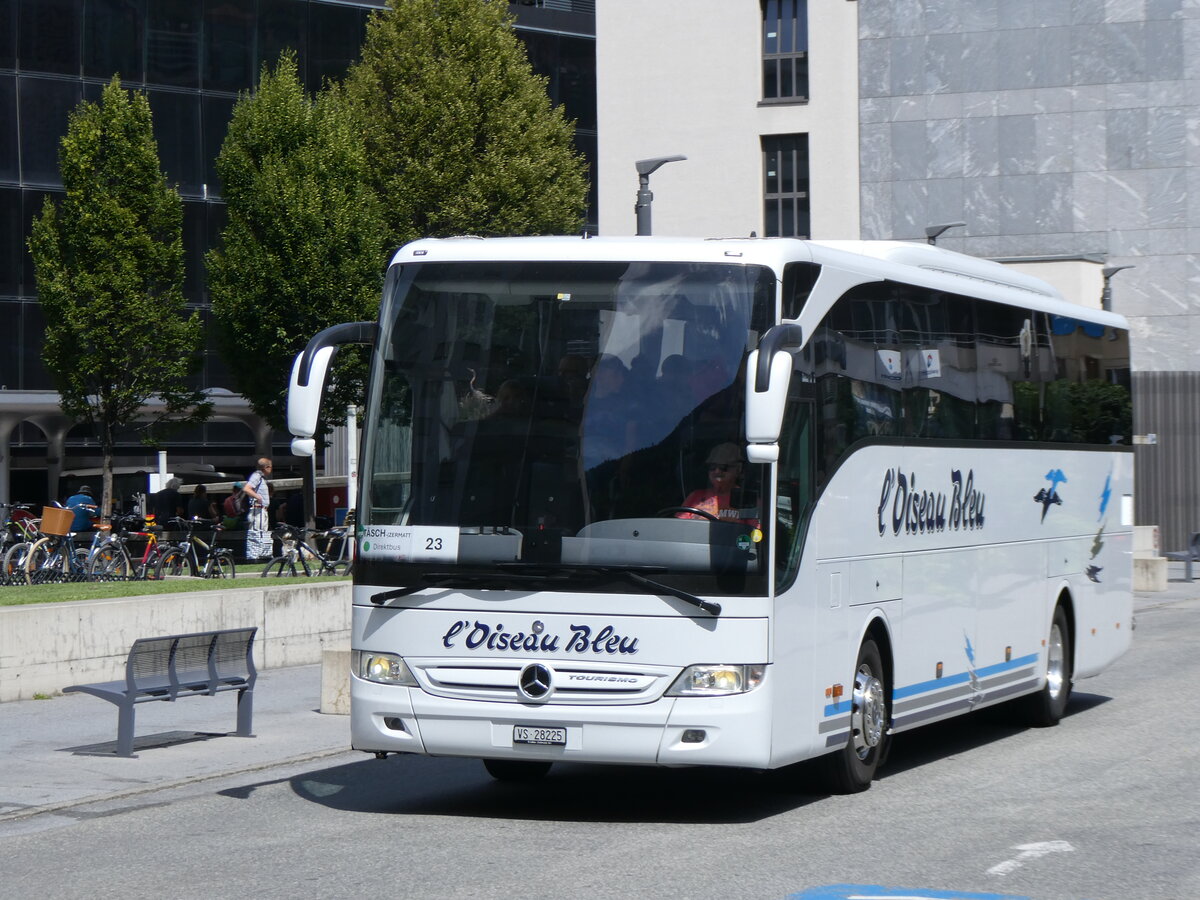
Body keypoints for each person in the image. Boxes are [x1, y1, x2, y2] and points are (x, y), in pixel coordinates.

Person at [677, 442, 759, 526]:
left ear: (739, 471)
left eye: (724, 467)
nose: (717, 471)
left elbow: (755, 534)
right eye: (712, 467)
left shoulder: (748, 500)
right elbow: (679, 528)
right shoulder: (695, 496)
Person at [243, 458, 273, 560]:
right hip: (258, 510)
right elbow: (247, 488)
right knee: (257, 532)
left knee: (262, 532)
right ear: (266, 467)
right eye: (271, 467)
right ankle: (254, 556)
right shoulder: (257, 476)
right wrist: (257, 497)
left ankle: (262, 555)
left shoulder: (261, 478)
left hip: (262, 510)